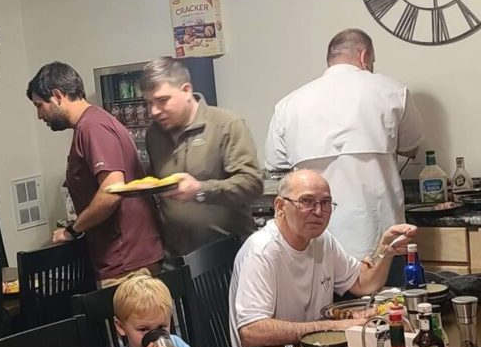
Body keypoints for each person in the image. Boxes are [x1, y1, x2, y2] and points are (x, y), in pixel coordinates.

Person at [265, 28, 424, 259]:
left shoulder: (288, 105)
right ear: (364, 56)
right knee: (388, 296)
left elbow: (276, 164)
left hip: (314, 239)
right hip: (378, 236)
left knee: (320, 296)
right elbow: (412, 147)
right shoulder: (392, 92)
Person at [229, 169, 415, 347]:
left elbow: (362, 284)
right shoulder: (261, 252)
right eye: (306, 201)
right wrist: (332, 327)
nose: (318, 212)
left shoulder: (322, 240)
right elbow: (251, 332)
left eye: (325, 202)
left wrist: (385, 251)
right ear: (280, 206)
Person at [28, 61, 164, 285]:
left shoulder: (92, 127)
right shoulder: (93, 123)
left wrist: (72, 230)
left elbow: (112, 191)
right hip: (126, 257)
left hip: (126, 262)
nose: (39, 115)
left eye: (39, 105)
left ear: (57, 96)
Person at [140, 56, 261, 258]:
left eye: (162, 101)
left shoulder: (226, 124)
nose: (154, 111)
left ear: (186, 90)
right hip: (176, 258)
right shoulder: (154, 135)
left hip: (228, 257)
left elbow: (252, 184)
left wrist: (200, 190)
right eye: (149, 103)